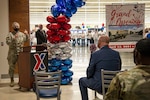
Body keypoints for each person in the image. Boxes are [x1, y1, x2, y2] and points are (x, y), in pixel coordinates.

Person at [79, 35, 122, 100]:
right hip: (113, 85)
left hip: (99, 85)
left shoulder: (95, 54)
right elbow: (119, 68)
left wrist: (89, 77)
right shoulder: (116, 54)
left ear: (100, 42)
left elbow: (90, 70)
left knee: (81, 81)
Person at [6, 22, 29, 87]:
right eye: (15, 26)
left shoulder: (21, 34)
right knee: (11, 67)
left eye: (17, 26)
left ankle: (21, 81)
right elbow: (8, 43)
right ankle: (12, 80)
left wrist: (26, 34)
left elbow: (26, 39)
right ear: (12, 27)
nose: (16, 27)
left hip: (21, 53)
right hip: (12, 53)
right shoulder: (10, 34)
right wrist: (13, 39)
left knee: (22, 67)